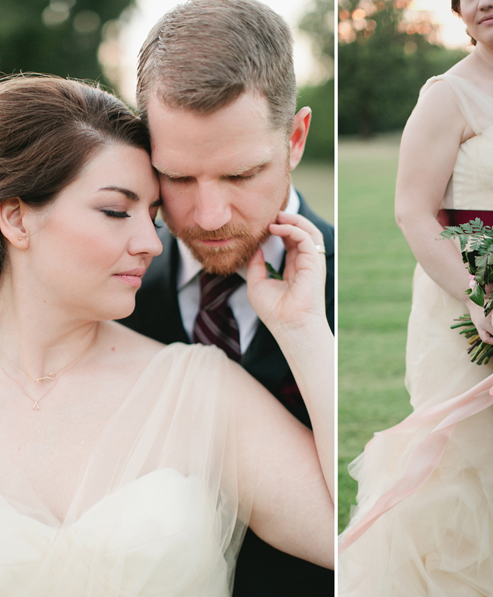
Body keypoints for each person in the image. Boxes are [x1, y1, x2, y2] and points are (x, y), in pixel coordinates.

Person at [0, 74, 334, 596]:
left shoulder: (200, 389)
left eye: (151, 216)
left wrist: (304, 331)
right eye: (115, 211)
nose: (151, 242)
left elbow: (355, 534)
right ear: (15, 217)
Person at [338, 1, 493, 595]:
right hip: (462, 311)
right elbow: (412, 212)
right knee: (462, 458)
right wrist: (480, 298)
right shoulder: (444, 95)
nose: (483, 1)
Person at [119, 2, 334, 593]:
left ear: (295, 138)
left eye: (240, 175)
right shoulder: (113, 291)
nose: (209, 216)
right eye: (179, 178)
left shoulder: (348, 291)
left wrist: (308, 335)